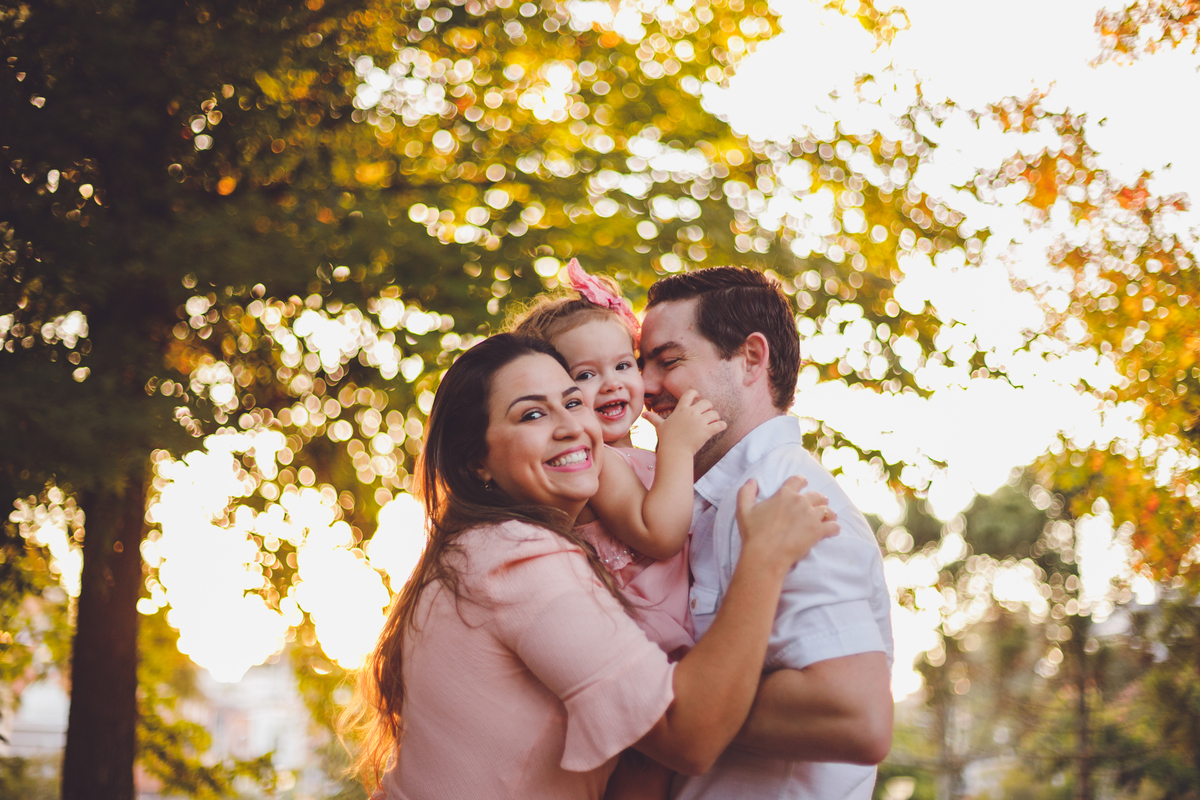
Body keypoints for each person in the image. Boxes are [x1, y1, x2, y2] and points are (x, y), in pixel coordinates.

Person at [342, 333, 840, 799]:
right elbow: (686, 734)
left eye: (573, 401)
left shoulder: (474, 549)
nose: (570, 426)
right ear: (477, 461)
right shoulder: (513, 556)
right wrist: (763, 560)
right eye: (532, 415)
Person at [637, 267, 894, 800]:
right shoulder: (698, 506)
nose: (644, 387)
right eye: (641, 366)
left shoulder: (788, 496)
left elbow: (855, 716)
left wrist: (655, 699)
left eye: (669, 360)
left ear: (752, 358)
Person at [511, 259, 720, 657]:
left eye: (625, 365)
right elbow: (659, 535)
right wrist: (677, 448)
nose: (611, 383)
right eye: (585, 375)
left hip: (681, 623)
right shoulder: (595, 463)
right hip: (647, 635)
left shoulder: (633, 456)